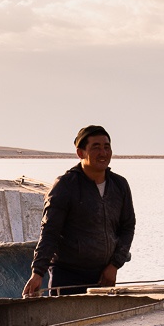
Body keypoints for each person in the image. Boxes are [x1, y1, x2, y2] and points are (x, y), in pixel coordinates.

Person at [22, 125, 135, 297]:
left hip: (103, 276)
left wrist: (114, 265)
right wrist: (38, 273)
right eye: (96, 147)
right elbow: (50, 231)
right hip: (67, 275)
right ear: (80, 153)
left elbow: (127, 226)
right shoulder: (65, 186)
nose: (103, 153)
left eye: (107, 147)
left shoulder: (120, 185)